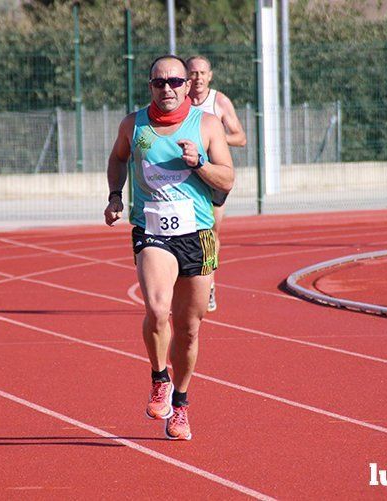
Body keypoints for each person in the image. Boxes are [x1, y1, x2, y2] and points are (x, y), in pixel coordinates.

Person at [104, 55, 234, 440]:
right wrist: (115, 195)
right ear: (150, 86)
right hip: (152, 228)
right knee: (158, 308)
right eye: (160, 83)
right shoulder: (134, 123)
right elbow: (117, 157)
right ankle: (159, 376)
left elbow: (226, 180)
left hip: (198, 234)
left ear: (186, 85)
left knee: (189, 329)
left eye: (175, 82)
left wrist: (198, 164)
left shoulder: (207, 125)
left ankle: (180, 402)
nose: (168, 89)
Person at [186, 55, 247, 312]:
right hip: (188, 176)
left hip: (215, 176)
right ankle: (185, 287)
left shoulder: (219, 101)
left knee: (210, 233)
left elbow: (240, 137)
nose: (197, 78)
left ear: (209, 76)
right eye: (193, 73)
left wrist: (214, 137)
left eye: (202, 73)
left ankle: (209, 285)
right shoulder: (180, 102)